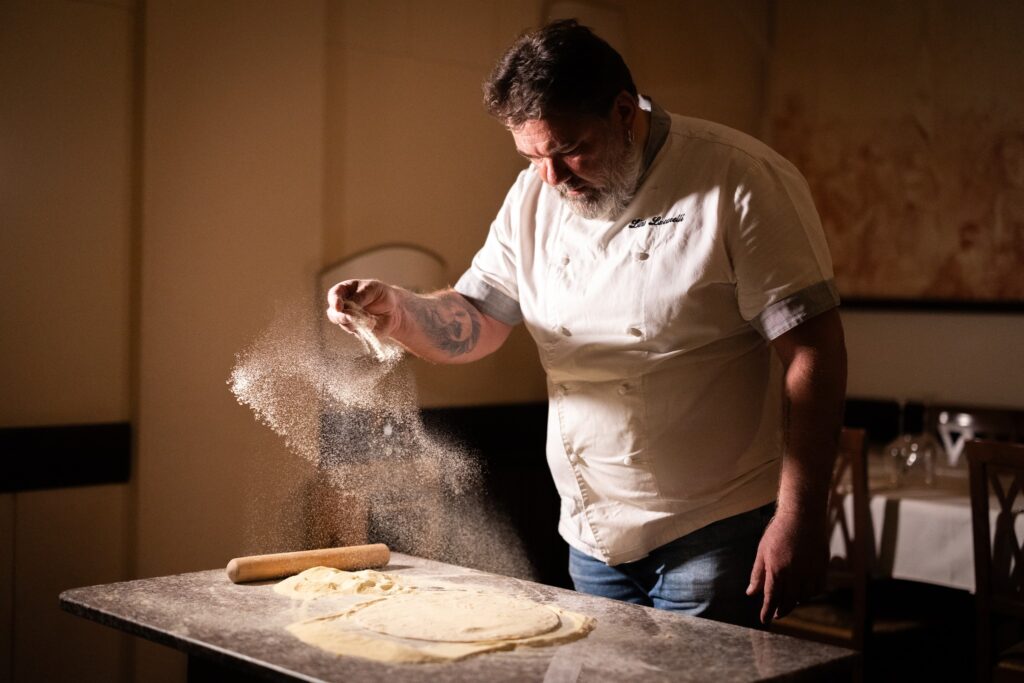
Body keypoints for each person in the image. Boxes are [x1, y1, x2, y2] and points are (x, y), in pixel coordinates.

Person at [327, 19, 847, 628]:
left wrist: (800, 518)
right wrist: (400, 311)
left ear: (625, 112)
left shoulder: (738, 179)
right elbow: (478, 318)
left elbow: (814, 351)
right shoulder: (533, 197)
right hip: (591, 538)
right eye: (532, 156)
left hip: (717, 531)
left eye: (570, 148)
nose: (553, 178)